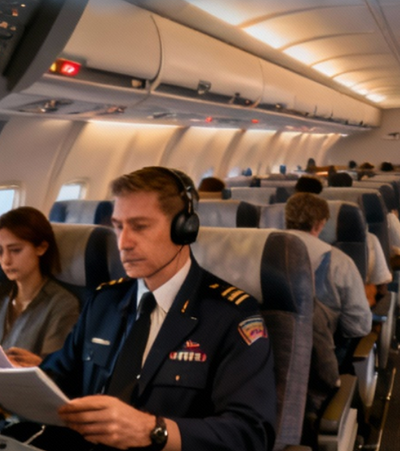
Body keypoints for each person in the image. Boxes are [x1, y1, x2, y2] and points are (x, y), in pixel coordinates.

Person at [35, 166, 276, 451]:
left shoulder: (230, 316)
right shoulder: (104, 302)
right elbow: (56, 379)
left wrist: (153, 431)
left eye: (139, 226)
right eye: (118, 226)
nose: (123, 243)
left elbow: (250, 433)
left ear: (184, 228)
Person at [0, 207, 81, 362]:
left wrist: (39, 366)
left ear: (41, 248)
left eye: (15, 250)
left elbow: (55, 371)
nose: (5, 260)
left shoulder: (62, 305)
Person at [284, 192, 374, 351]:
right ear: (320, 224)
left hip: (265, 350)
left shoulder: (262, 253)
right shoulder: (339, 262)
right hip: (321, 353)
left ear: (286, 220)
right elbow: (358, 326)